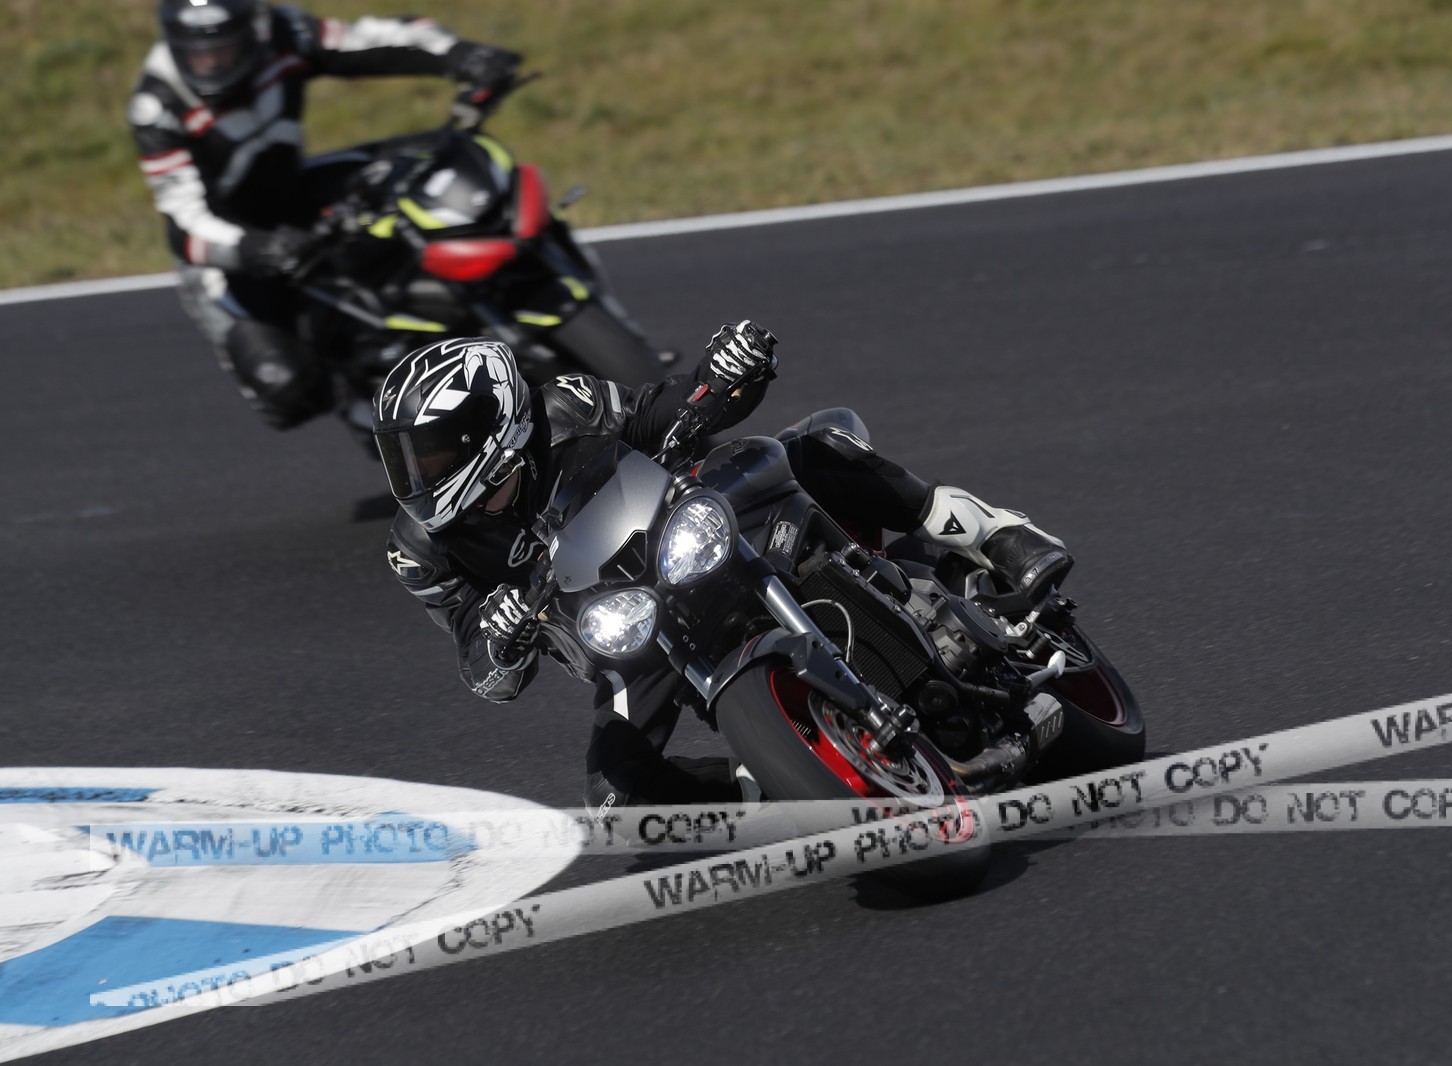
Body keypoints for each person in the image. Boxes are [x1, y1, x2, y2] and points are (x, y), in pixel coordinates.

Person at [374, 322, 1073, 812]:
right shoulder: (421, 549)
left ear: (493, 423)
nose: (418, 474)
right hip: (627, 632)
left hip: (691, 528)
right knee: (618, 800)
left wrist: (725, 371)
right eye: (404, 456)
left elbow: (659, 412)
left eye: (432, 452)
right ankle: (776, 790)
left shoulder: (565, 407)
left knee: (814, 447)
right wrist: (497, 636)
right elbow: (481, 666)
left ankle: (996, 534)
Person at [128, 0, 521, 429]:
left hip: (296, 192)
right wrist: (258, 248)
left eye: (224, 48)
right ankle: (366, 402)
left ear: (254, 31)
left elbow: (370, 39)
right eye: (197, 53)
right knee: (285, 389)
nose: (211, 63)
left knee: (433, 160)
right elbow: (185, 223)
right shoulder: (157, 106)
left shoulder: (283, 33)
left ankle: (524, 273)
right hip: (231, 249)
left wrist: (460, 53)